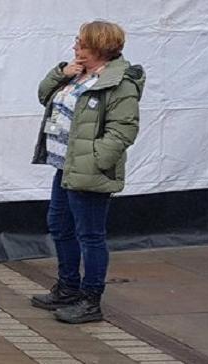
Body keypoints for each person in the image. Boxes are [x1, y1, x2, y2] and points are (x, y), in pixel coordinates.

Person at [30, 21, 144, 325]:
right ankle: (68, 288)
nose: (74, 47)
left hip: (88, 172)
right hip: (64, 166)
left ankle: (91, 300)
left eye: (80, 43)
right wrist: (61, 73)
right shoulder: (78, 74)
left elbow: (123, 131)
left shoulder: (119, 82)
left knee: (90, 235)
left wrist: (94, 161)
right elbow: (44, 95)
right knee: (60, 225)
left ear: (98, 47)